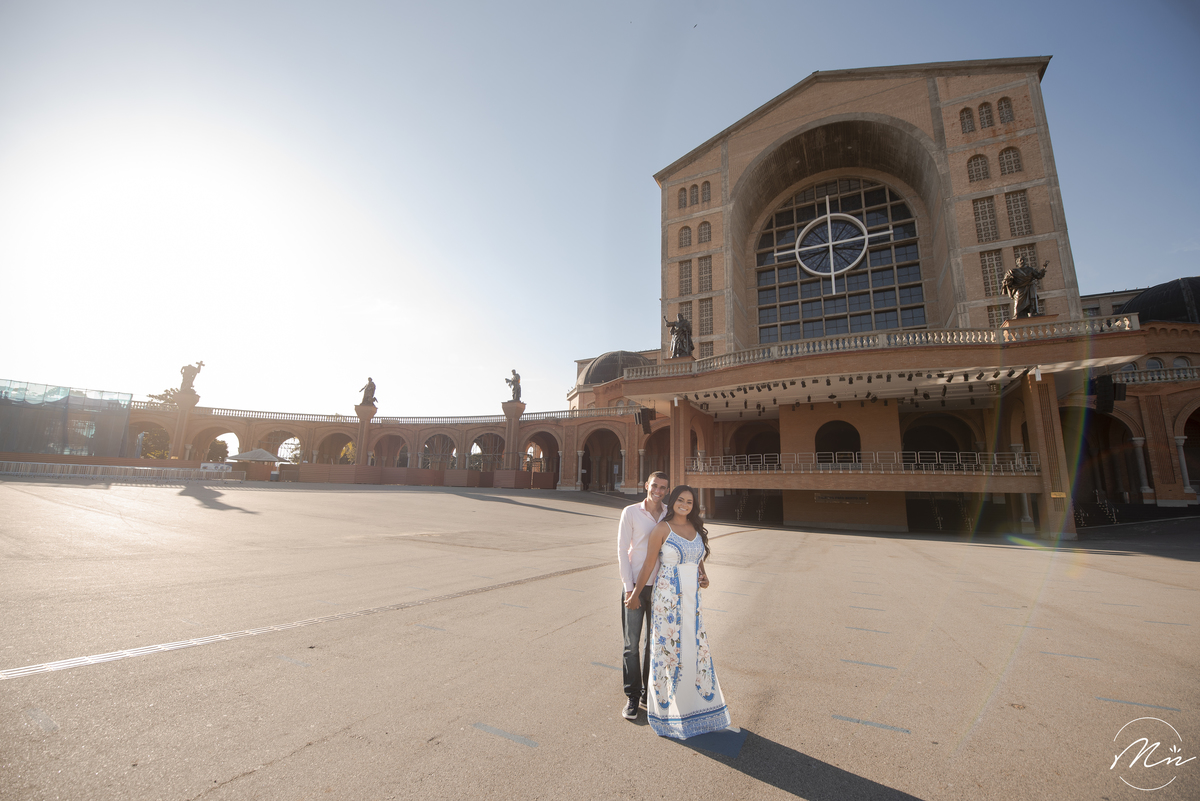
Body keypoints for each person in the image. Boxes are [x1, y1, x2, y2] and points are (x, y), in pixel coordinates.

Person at [626, 485, 731, 739]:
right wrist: (635, 594)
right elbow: (650, 564)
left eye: (690, 502)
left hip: (692, 600)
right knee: (669, 651)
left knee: (694, 649)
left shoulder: (695, 528)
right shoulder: (662, 529)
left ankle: (695, 705)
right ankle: (668, 707)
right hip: (667, 599)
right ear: (672, 501)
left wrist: (703, 576)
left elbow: (697, 558)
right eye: (681, 500)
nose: (685, 504)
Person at [617, 471, 670, 720]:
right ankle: (632, 695)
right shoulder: (631, 512)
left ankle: (649, 692)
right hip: (636, 586)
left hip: (662, 589)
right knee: (631, 644)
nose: (658, 491)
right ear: (646, 485)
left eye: (663, 488)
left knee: (653, 645)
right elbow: (621, 551)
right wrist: (629, 589)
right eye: (654, 486)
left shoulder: (671, 513)